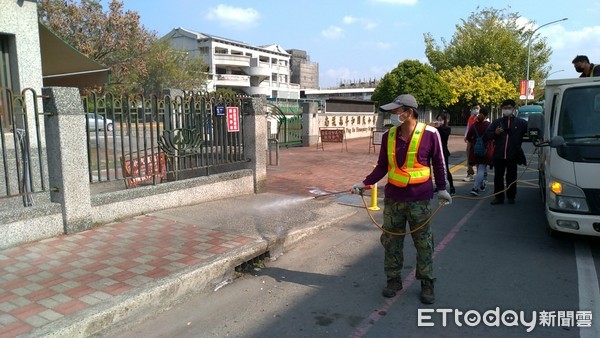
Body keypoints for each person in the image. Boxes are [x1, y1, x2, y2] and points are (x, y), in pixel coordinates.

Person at [351, 94, 452, 304]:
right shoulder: (389, 136)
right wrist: (365, 183)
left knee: (424, 243)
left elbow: (439, 163)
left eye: (398, 110)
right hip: (394, 199)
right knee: (391, 242)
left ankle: (427, 283)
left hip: (420, 200)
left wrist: (442, 188)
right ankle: (393, 280)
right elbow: (382, 166)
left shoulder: (430, 134)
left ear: (409, 111)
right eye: (394, 111)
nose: (395, 114)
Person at [485, 99, 528, 205]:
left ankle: (511, 196)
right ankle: (499, 197)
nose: (507, 110)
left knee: (512, 177)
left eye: (509, 108)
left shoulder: (521, 123)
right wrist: (495, 133)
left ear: (514, 109)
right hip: (498, 155)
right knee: (498, 177)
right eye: (505, 108)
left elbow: (531, 133)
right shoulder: (497, 122)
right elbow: (487, 136)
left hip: (513, 155)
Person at [465, 107, 493, 196]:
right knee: (481, 169)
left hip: (475, 150)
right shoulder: (489, 125)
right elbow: (492, 137)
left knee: (478, 169)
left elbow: (468, 138)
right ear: (487, 115)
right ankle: (475, 188)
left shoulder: (474, 125)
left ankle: (481, 184)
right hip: (485, 150)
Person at [432, 112, 456, 195]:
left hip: (444, 152)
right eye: (438, 120)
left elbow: (445, 135)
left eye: (441, 120)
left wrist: (439, 128)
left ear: (445, 120)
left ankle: (452, 186)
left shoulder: (447, 128)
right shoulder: (435, 129)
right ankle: (438, 186)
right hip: (435, 151)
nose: (439, 121)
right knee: (436, 169)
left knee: (446, 169)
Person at [462, 103, 480, 181]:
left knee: (478, 157)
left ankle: (481, 174)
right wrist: (466, 136)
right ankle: (470, 174)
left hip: (478, 141)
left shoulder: (482, 118)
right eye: (474, 108)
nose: (475, 109)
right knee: (469, 157)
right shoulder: (471, 118)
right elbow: (468, 127)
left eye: (477, 108)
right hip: (470, 140)